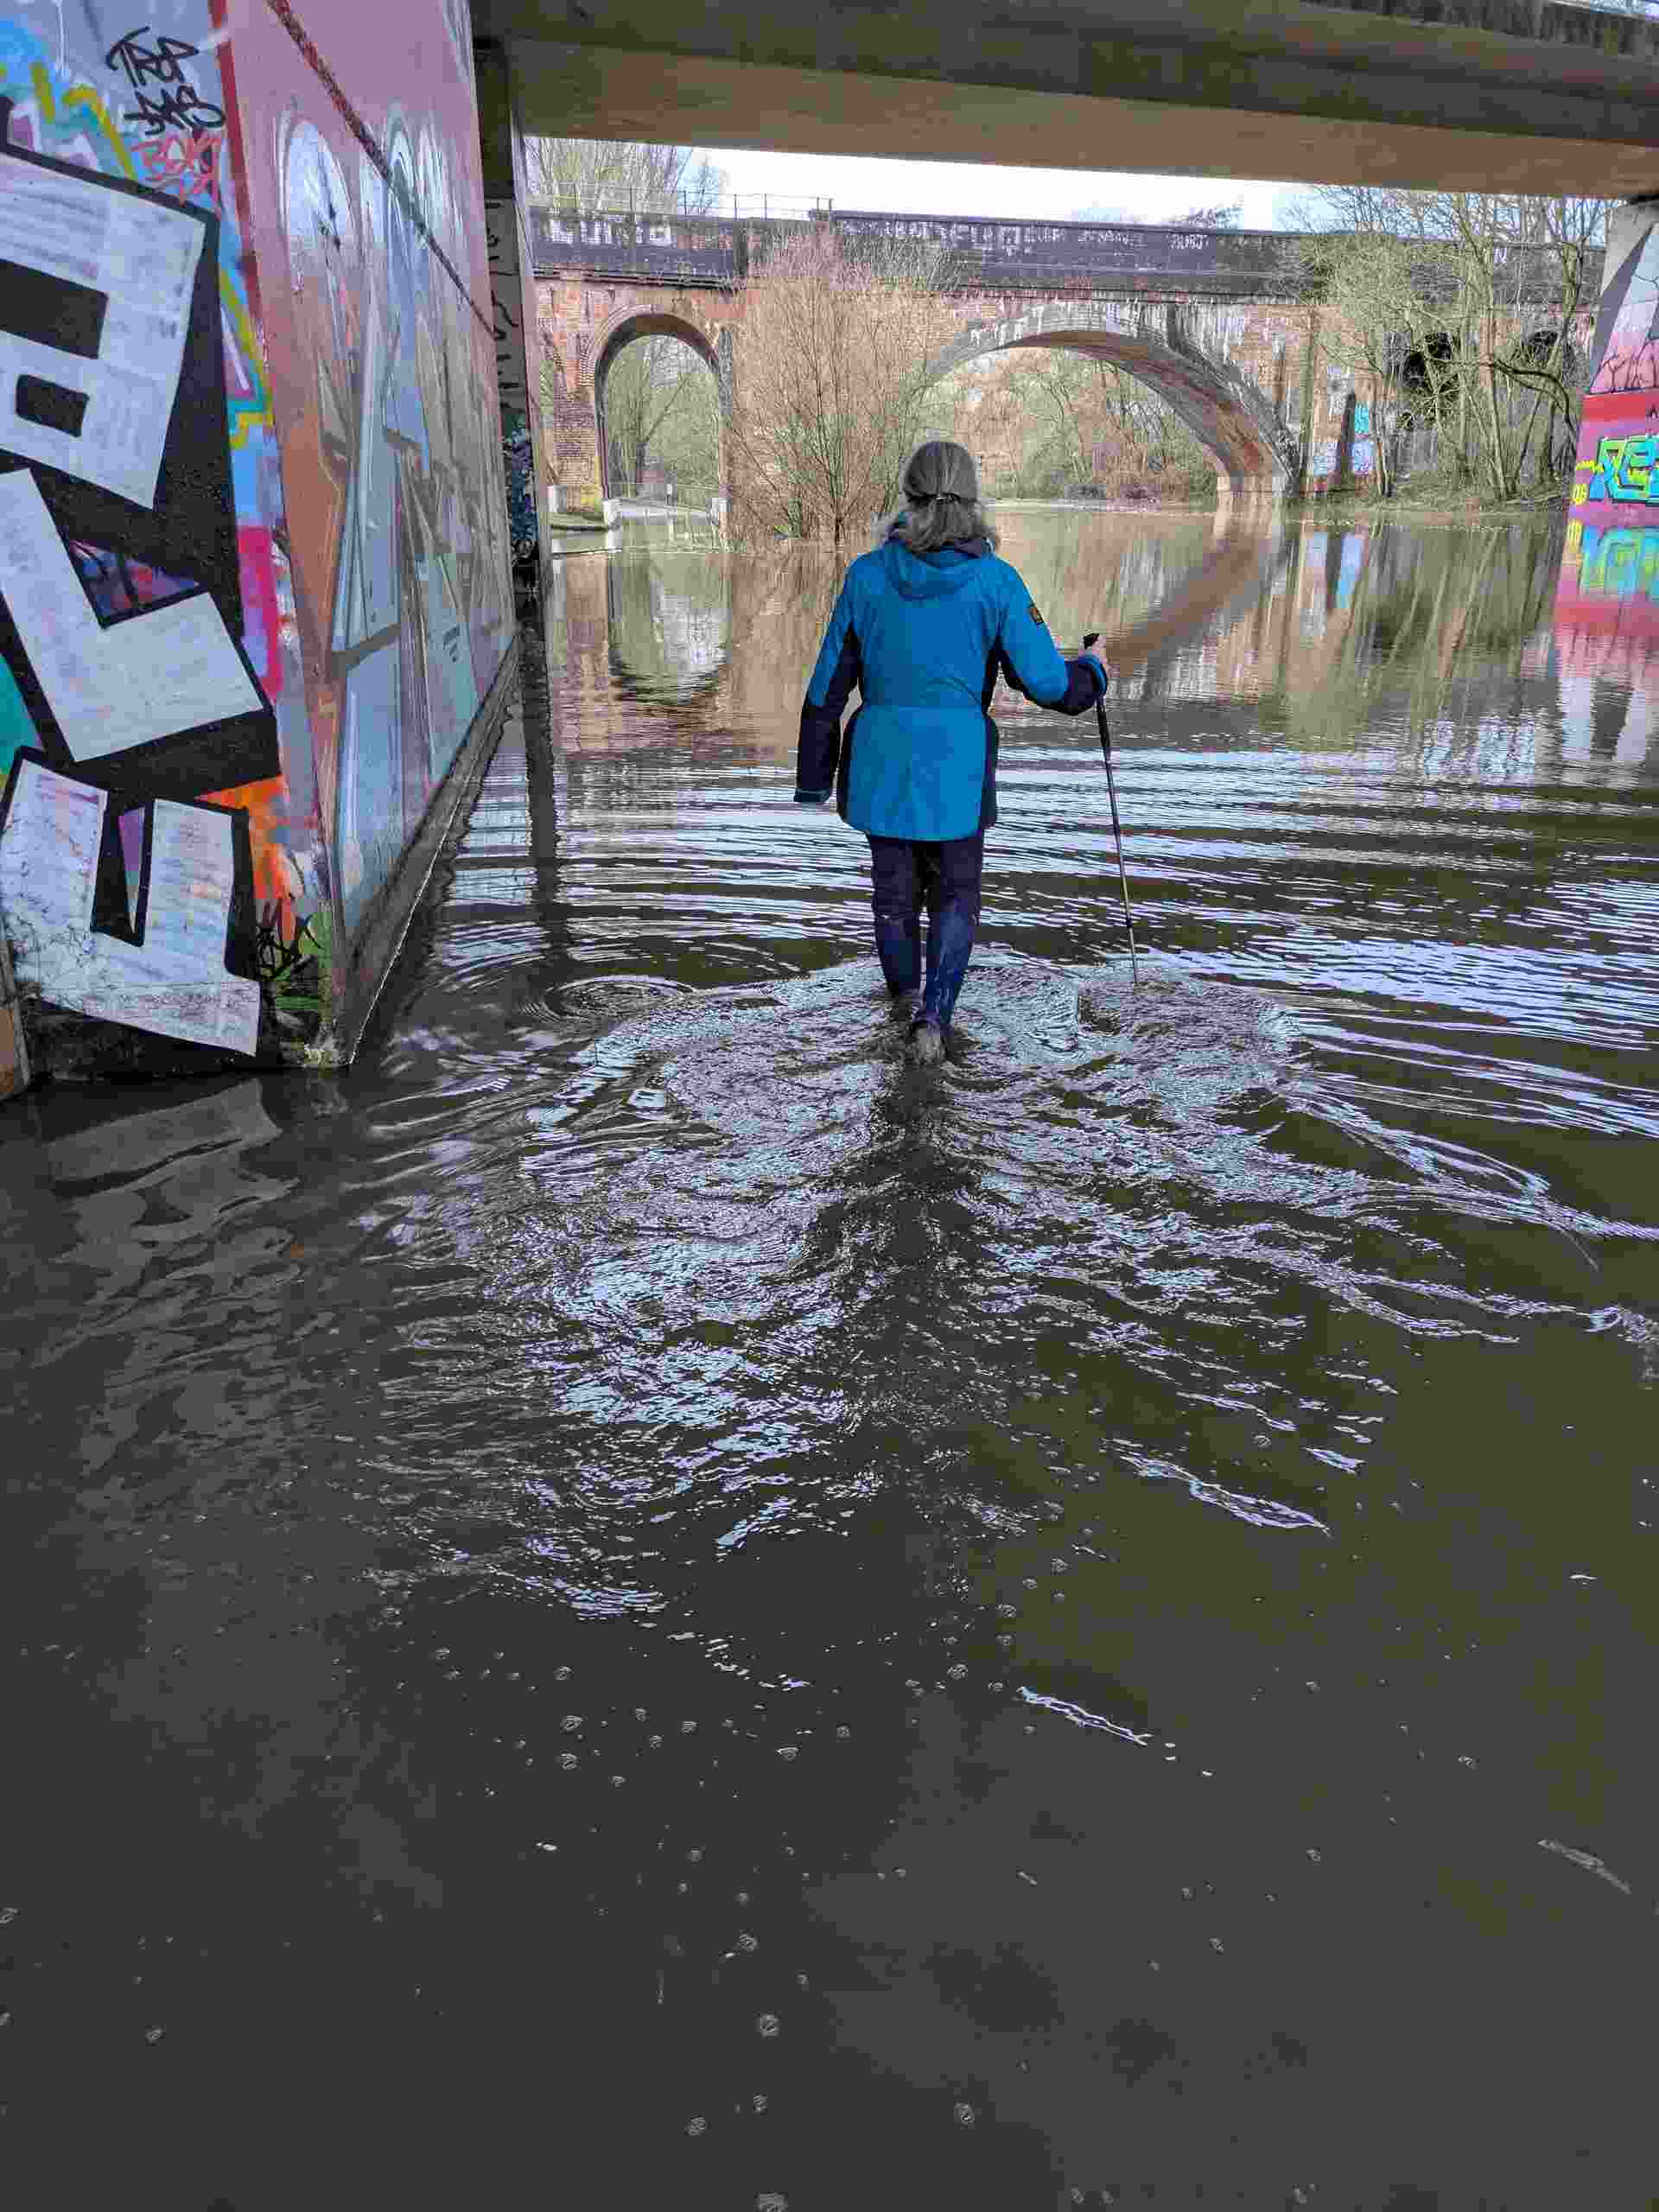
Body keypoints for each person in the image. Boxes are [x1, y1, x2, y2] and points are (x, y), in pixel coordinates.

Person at [794, 440, 1113, 1064]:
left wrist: (814, 779)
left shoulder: (865, 576)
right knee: (954, 898)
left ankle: (900, 1006)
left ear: (906, 498)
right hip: (958, 774)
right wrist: (1095, 670)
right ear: (974, 499)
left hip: (882, 768)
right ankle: (933, 1022)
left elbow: (826, 686)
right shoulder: (997, 582)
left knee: (892, 901)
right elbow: (1049, 684)